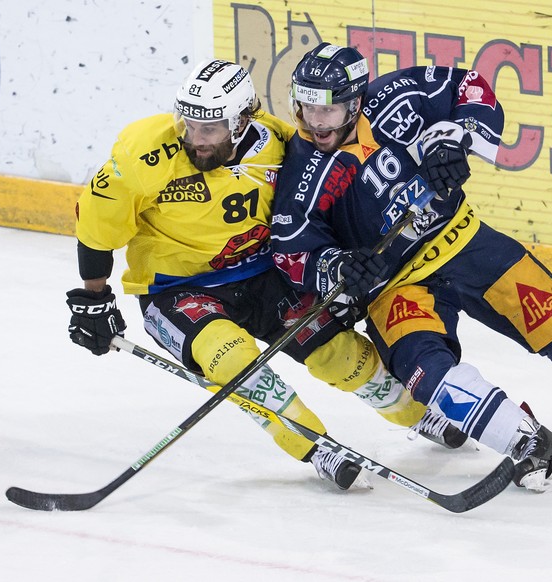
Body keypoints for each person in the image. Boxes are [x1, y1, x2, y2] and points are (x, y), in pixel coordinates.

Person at [270, 43, 552, 491]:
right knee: (427, 373)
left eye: (330, 109)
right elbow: (292, 247)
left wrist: (450, 141)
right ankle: (526, 442)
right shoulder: (302, 171)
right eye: (306, 108)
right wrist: (337, 266)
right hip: (396, 288)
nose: (316, 122)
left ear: (356, 100)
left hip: (464, 240)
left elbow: (473, 89)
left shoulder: (397, 95)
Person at [64, 59, 463, 491]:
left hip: (265, 274)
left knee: (341, 354)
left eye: (210, 128)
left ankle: (418, 414)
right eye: (189, 124)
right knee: (232, 359)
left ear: (240, 123)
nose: (195, 139)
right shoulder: (144, 151)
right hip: (175, 290)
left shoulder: (281, 145)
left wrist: (339, 263)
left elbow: (319, 209)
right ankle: (315, 445)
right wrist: (93, 299)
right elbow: (98, 223)